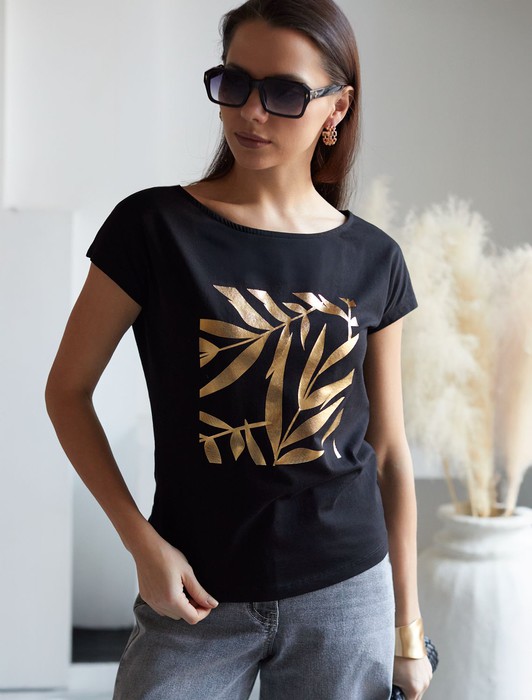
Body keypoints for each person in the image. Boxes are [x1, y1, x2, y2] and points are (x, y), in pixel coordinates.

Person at [45, 1, 433, 698]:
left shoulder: (375, 258)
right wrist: (141, 543)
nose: (251, 112)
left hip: (346, 592)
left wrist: (407, 630)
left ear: (337, 107)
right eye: (235, 83)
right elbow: (66, 392)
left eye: (285, 92)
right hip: (193, 590)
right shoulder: (153, 227)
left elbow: (390, 451)